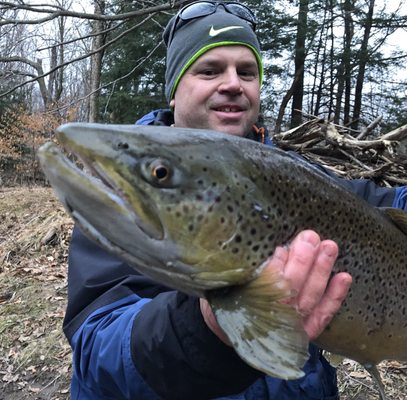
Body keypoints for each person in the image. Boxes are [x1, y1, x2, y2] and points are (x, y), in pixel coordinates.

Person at [63, 2, 407, 399]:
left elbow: (382, 201)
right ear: (174, 91)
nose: (233, 83)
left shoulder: (297, 180)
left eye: (246, 72)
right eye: (209, 70)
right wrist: (207, 329)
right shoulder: (129, 197)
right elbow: (100, 351)